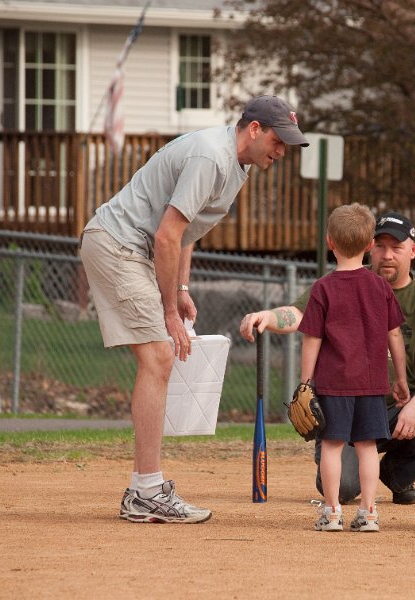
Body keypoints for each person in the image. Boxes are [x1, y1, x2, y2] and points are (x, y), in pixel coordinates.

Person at [79, 95, 309, 524]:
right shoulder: (212, 156)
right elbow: (167, 236)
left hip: (133, 248)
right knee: (159, 356)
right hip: (119, 244)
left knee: (158, 358)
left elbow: (186, 232)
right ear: (254, 129)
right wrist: (169, 310)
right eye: (279, 140)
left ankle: (144, 489)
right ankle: (146, 491)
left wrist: (181, 287)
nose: (282, 152)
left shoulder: (236, 166)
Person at [240, 212, 415, 506]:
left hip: (393, 409)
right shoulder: (332, 286)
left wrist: (414, 404)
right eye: (381, 246)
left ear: (413, 251)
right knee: (343, 488)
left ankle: (397, 474)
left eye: (397, 247)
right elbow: (299, 316)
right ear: (369, 246)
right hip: (344, 402)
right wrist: (267, 316)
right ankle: (359, 498)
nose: (387, 255)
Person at [297, 203, 409, 532]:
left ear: (330, 242)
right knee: (368, 447)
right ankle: (369, 512)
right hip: (373, 384)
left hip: (333, 383)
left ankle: (332, 513)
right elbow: (394, 335)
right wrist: (400, 378)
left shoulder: (323, 288)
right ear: (369, 245)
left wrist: (305, 383)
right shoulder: (380, 287)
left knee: (332, 446)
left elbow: (312, 340)